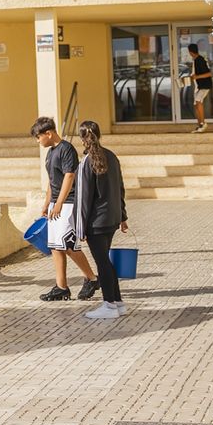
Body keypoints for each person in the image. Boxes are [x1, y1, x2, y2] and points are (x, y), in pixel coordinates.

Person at [32, 117, 98, 301]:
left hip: (68, 203)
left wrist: (60, 203)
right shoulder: (50, 153)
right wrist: (47, 203)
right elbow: (52, 181)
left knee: (68, 245)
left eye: (38, 137)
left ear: (48, 133)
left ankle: (92, 278)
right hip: (56, 204)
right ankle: (61, 287)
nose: (38, 141)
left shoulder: (66, 149)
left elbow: (69, 176)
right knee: (56, 247)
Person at [72, 121, 129, 320]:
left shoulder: (85, 162)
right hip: (112, 218)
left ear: (82, 139)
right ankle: (118, 302)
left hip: (96, 223)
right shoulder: (112, 156)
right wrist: (122, 216)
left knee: (102, 263)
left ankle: (109, 304)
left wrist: (79, 228)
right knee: (106, 262)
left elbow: (83, 199)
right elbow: (120, 188)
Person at [183, 43, 213, 133]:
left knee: (198, 101)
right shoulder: (196, 60)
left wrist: (197, 77)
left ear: (190, 52)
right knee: (196, 104)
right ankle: (200, 124)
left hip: (204, 86)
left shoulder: (200, 60)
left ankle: (203, 123)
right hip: (199, 86)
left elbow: (209, 74)